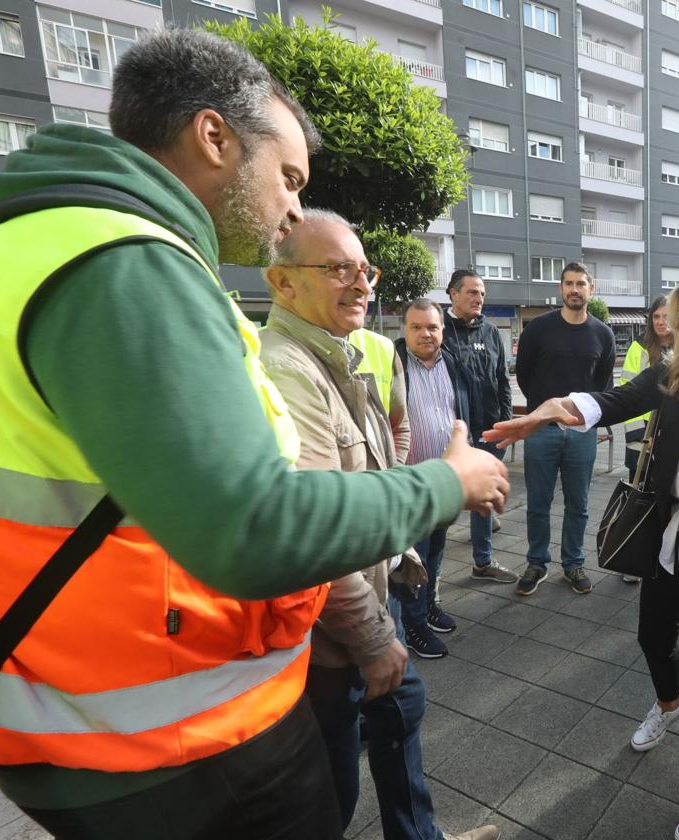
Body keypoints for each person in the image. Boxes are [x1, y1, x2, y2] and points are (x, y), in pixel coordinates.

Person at [0, 28, 509, 839]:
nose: (293, 205)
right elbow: (255, 524)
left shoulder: (18, 246)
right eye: (288, 177)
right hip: (184, 740)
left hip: (75, 710)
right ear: (214, 135)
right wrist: (448, 483)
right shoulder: (128, 260)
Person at [487, 264, 679, 840]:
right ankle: (670, 701)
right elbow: (613, 399)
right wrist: (555, 410)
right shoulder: (675, 378)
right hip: (673, 532)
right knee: (652, 634)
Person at [262, 212, 497, 840]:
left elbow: (372, 464)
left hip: (369, 592)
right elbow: (314, 523)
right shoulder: (288, 369)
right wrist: (369, 637)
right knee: (329, 792)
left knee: (398, 717)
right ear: (281, 282)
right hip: (329, 626)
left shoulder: (339, 351)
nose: (361, 283)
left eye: (364, 269)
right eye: (337, 268)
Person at [513, 262, 616, 596]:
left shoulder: (603, 333)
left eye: (581, 283)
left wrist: (590, 421)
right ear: (561, 288)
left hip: (582, 434)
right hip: (541, 431)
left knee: (579, 504)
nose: (575, 289)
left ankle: (573, 563)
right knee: (537, 503)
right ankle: (536, 563)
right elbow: (525, 375)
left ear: (591, 289)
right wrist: (543, 413)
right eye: (569, 283)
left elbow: (604, 386)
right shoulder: (539, 329)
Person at [394, 298, 472, 659]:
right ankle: (413, 626)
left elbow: (460, 410)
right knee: (415, 557)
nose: (426, 333)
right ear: (404, 329)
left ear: (442, 329)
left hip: (445, 479)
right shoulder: (394, 364)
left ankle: (428, 606)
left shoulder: (452, 363)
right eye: (417, 327)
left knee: (437, 550)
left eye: (433, 327)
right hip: (411, 482)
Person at [443, 269, 518, 584]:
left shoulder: (490, 332)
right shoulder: (439, 331)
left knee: (484, 497)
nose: (478, 298)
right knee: (445, 502)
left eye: (482, 293)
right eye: (472, 292)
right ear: (453, 294)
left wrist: (506, 420)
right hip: (452, 436)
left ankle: (483, 561)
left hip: (489, 429)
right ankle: (426, 573)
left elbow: (502, 379)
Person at [619, 296, 674, 481]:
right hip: (642, 439)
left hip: (673, 435)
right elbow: (626, 396)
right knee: (639, 500)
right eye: (656, 316)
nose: (660, 322)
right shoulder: (638, 348)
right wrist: (641, 436)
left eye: (666, 316)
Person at [350, 323, 411, 463]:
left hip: (381, 479)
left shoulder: (383, 347)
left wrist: (393, 473)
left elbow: (400, 426)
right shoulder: (294, 351)